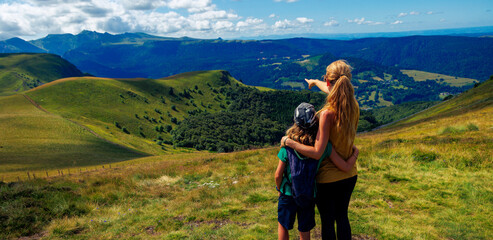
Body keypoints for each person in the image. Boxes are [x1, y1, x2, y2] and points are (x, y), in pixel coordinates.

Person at [281, 60, 360, 240]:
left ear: (330, 81)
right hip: (349, 175)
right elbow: (333, 91)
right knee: (342, 218)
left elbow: (317, 152)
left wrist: (289, 142)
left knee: (327, 221)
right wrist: (315, 82)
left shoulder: (326, 114)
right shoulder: (353, 105)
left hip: (327, 178)